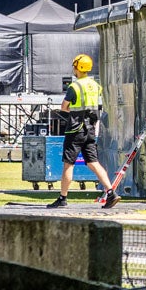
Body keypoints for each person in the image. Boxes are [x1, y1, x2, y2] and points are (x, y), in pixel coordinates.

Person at [48, 54, 120, 208]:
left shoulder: (74, 87)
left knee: (68, 164)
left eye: (74, 66)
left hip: (75, 129)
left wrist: (73, 112)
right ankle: (111, 192)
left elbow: (64, 107)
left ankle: (62, 198)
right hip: (91, 128)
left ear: (78, 68)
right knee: (93, 162)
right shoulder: (95, 85)